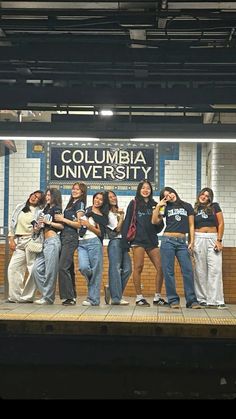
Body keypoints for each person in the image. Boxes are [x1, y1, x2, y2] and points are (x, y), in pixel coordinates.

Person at [152, 186, 201, 309]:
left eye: (170, 193)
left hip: (182, 241)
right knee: (168, 272)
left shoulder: (187, 206)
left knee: (188, 270)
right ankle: (173, 300)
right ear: (164, 198)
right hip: (167, 240)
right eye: (166, 195)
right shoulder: (165, 207)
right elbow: (154, 221)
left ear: (175, 192)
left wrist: (192, 241)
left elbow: (191, 225)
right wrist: (158, 206)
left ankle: (191, 301)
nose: (170, 195)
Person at [122, 180, 166, 307]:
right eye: (143, 188)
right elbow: (128, 221)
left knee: (161, 267)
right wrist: (125, 241)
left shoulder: (156, 204)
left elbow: (160, 225)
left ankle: (157, 297)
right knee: (138, 267)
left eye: (148, 188)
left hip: (152, 240)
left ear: (151, 190)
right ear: (139, 190)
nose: (146, 190)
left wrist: (158, 216)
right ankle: (139, 297)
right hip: (138, 241)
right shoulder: (134, 203)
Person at [7, 190, 45, 303]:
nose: (34, 198)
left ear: (40, 201)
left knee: (32, 269)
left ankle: (27, 296)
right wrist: (11, 239)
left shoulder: (40, 211)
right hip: (19, 240)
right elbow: (12, 224)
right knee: (13, 268)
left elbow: (40, 227)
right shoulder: (20, 207)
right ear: (30, 195)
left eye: (37, 197)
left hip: (31, 240)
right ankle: (15, 296)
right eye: (33, 195)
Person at [193, 187, 226, 309]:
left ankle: (216, 299)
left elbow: (221, 223)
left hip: (213, 238)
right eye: (202, 194)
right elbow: (191, 226)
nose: (204, 197)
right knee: (200, 270)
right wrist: (191, 242)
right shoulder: (194, 209)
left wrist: (219, 240)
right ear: (199, 195)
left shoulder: (215, 206)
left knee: (215, 269)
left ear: (210, 198)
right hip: (198, 238)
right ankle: (202, 298)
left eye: (207, 196)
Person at [55, 182, 87, 306]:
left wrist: (63, 219)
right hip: (64, 237)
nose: (74, 191)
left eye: (77, 189)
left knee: (62, 267)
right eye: (73, 189)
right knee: (68, 267)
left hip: (71, 238)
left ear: (82, 192)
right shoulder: (70, 204)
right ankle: (72, 295)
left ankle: (68, 297)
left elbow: (80, 224)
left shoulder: (80, 204)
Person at [32, 188, 64, 304]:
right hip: (44, 242)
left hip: (53, 241)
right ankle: (47, 295)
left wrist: (48, 222)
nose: (47, 197)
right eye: (47, 195)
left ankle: (48, 298)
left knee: (50, 271)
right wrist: (37, 227)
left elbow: (61, 226)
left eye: (49, 195)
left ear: (55, 196)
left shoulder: (57, 209)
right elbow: (41, 225)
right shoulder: (46, 209)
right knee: (36, 269)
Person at [78, 192, 108, 306]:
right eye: (96, 198)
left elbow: (100, 233)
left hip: (94, 242)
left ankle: (93, 300)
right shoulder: (86, 210)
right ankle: (93, 288)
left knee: (96, 271)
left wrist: (89, 225)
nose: (98, 200)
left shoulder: (102, 216)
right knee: (84, 267)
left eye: (101, 199)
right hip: (81, 242)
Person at [104, 190, 131, 305]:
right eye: (110, 197)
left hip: (124, 243)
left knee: (127, 269)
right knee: (115, 269)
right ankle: (116, 298)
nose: (113, 198)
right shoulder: (107, 214)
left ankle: (112, 288)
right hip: (114, 242)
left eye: (114, 196)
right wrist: (122, 216)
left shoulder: (117, 211)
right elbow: (118, 229)